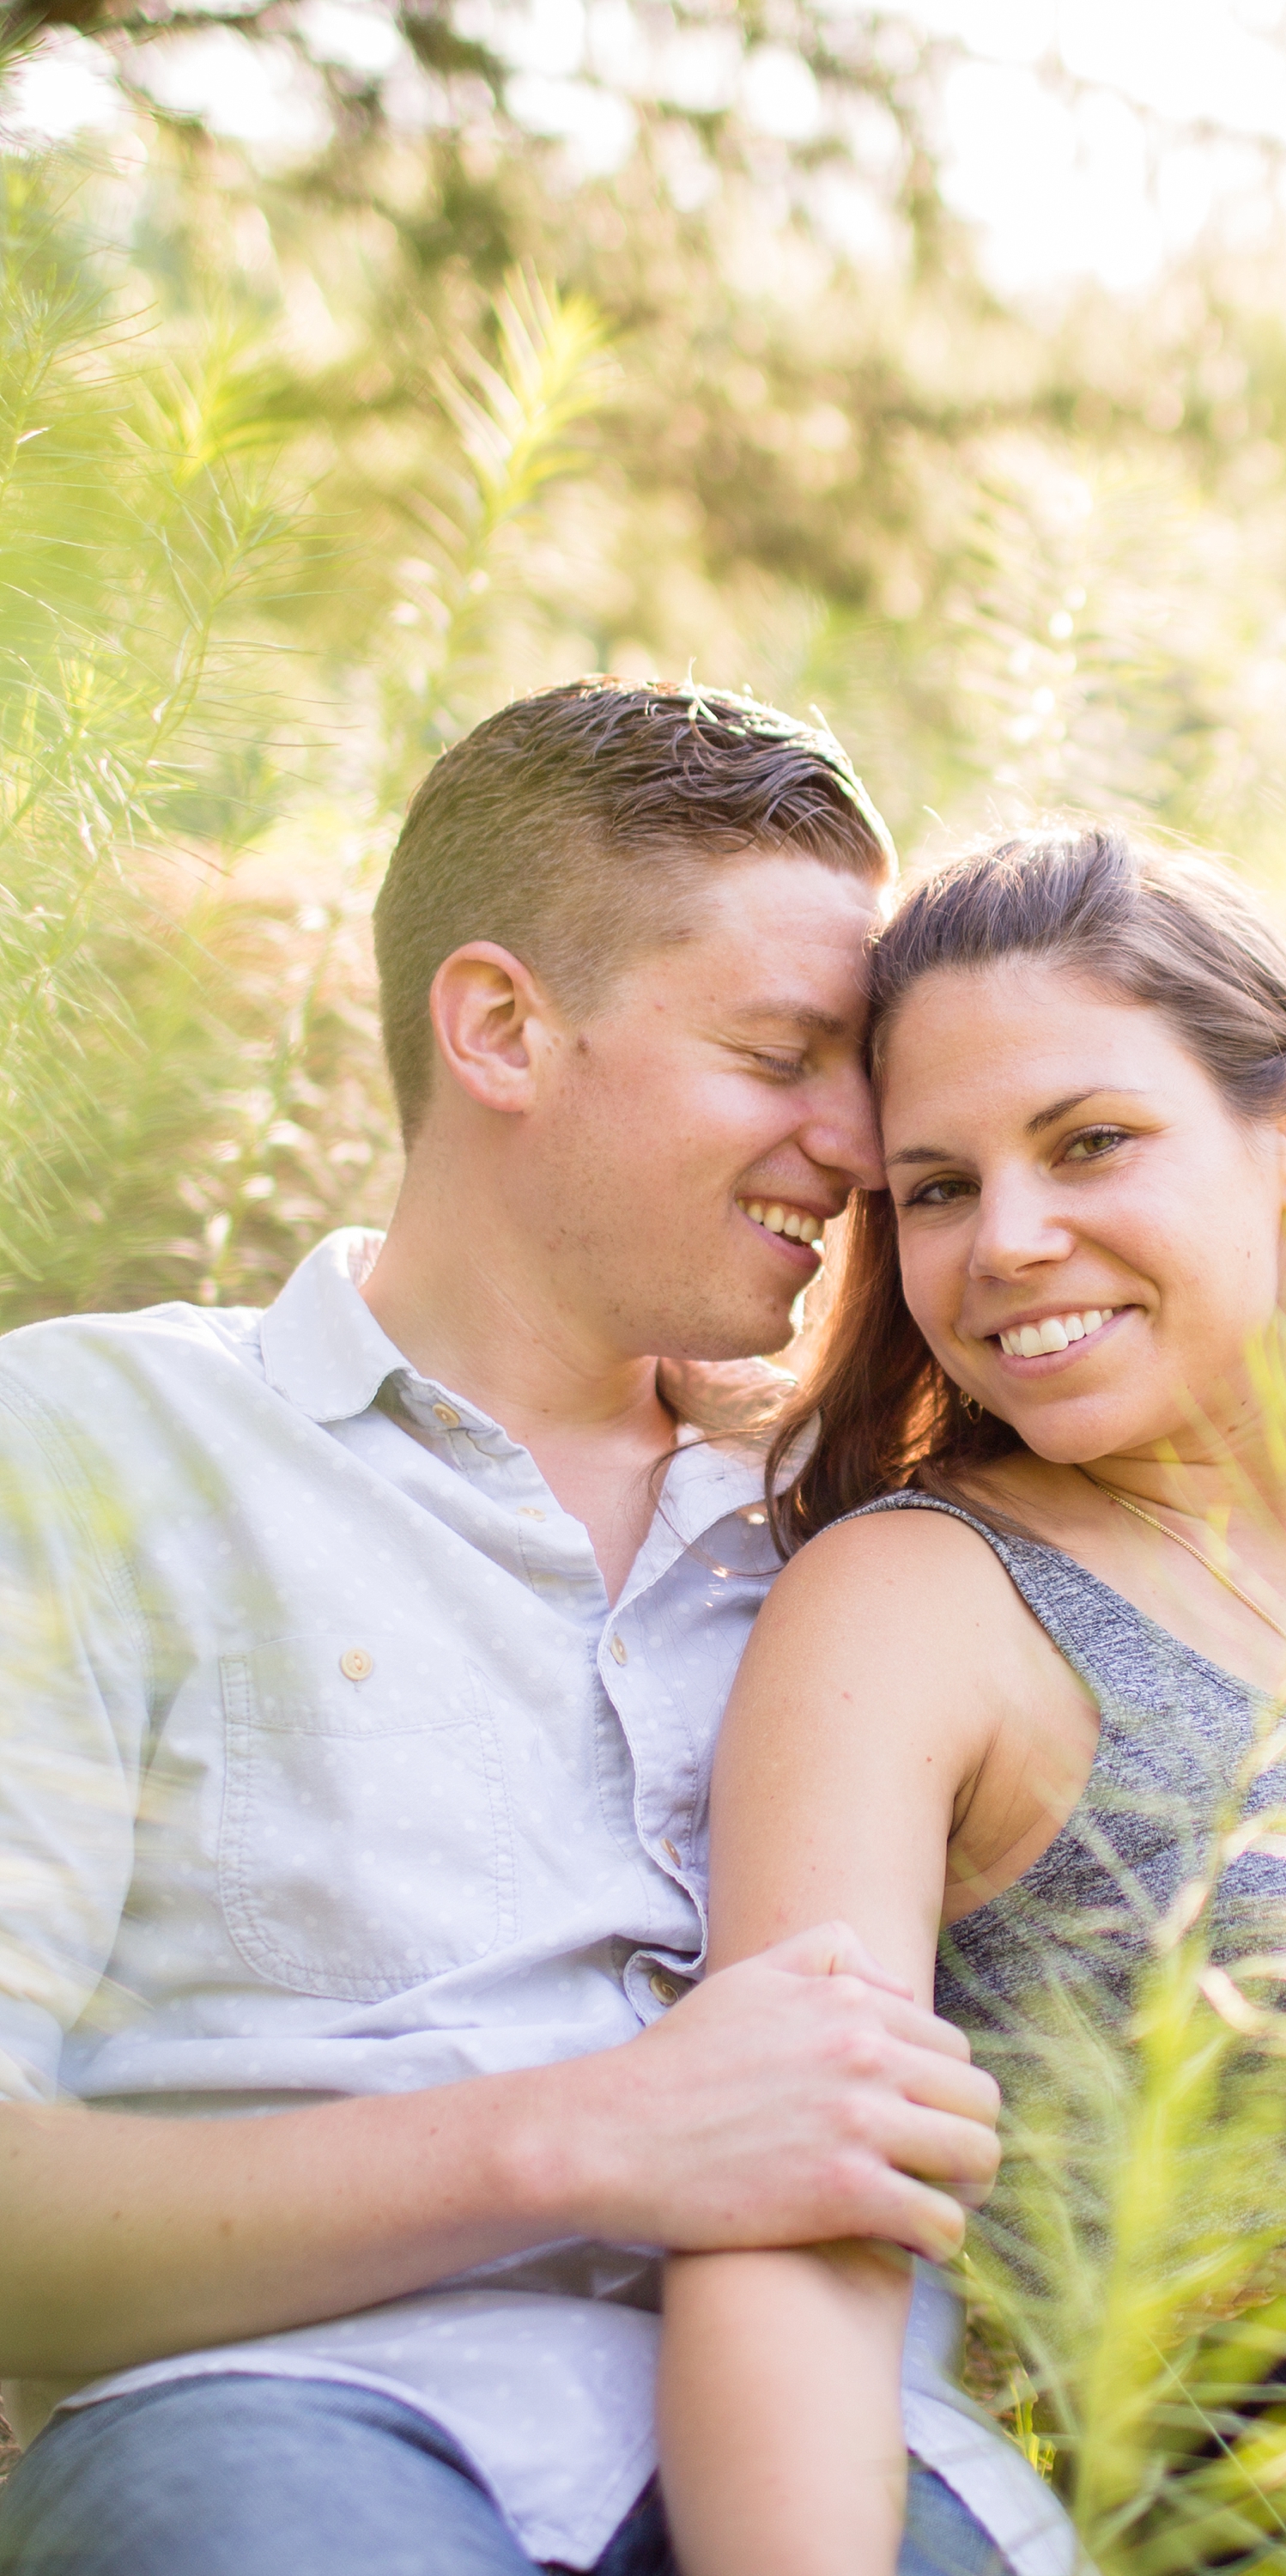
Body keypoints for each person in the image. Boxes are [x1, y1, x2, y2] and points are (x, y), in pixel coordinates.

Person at [0, 682, 1049, 2576]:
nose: (857, 1142)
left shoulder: (883, 1548)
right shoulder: (94, 1449)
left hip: (837, 2456)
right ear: (499, 1029)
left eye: (865, 1075)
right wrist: (590, 2137)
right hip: (287, 2429)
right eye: (780, 1055)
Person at [656, 823, 1286, 2576]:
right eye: (935, 1187)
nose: (1010, 1241)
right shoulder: (923, 1606)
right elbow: (788, 2209)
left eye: (1090, 1144)